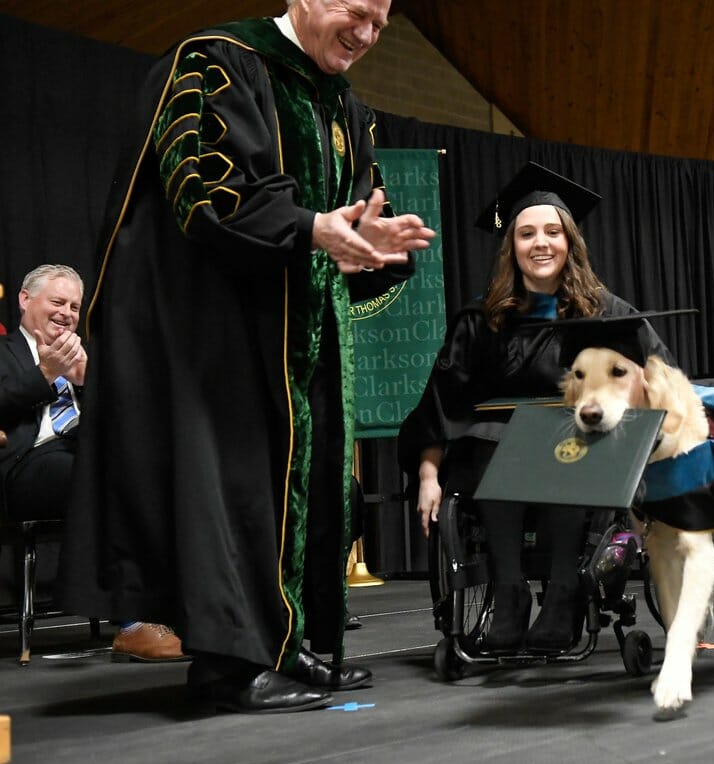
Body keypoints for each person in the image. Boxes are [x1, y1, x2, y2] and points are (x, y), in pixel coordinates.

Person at [59, 0, 436, 714]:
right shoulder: (217, 60)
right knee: (230, 489)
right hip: (211, 328)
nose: (367, 34)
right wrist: (310, 227)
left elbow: (347, 219)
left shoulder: (345, 107)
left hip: (295, 327)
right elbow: (198, 189)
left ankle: (286, 644)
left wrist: (372, 246)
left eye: (381, 24)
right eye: (356, 13)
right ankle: (229, 666)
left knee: (298, 487)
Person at [399, 162, 670, 652]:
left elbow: (662, 381)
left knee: (560, 441)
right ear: (513, 247)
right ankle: (510, 594)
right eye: (526, 233)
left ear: (570, 243)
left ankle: (565, 591)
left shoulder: (606, 315)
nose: (540, 243)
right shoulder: (481, 321)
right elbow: (441, 403)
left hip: (581, 455)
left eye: (552, 232)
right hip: (492, 459)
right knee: (492, 441)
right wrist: (426, 475)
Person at [0, 265, 187, 663]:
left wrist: (87, 383)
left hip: (85, 453)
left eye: (74, 306)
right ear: (24, 300)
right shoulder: (4, 352)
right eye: (57, 302)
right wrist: (46, 373)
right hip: (25, 465)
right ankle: (133, 624)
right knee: (100, 477)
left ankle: (180, 611)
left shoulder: (86, 357)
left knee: (161, 471)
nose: (67, 313)